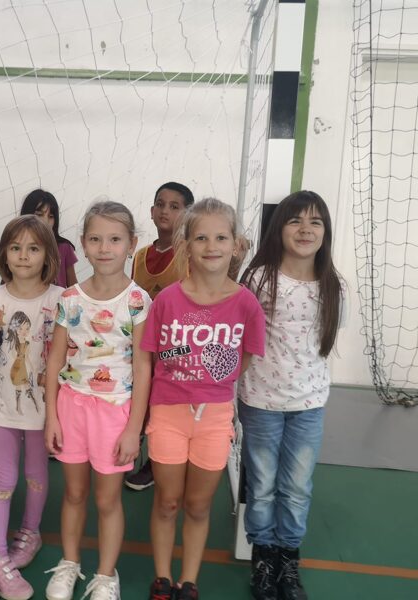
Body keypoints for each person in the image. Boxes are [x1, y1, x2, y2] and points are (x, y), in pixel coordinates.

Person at [142, 198, 266, 600]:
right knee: (167, 501)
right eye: (201, 238)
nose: (211, 246)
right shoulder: (167, 300)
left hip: (214, 417)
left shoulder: (245, 303)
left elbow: (245, 356)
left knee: (198, 505)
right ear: (186, 245)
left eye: (221, 237)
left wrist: (214, 381)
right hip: (168, 412)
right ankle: (163, 578)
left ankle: (189, 581)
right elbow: (154, 355)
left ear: (236, 244)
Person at [238, 191, 346, 600]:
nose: (305, 229)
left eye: (315, 221)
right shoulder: (259, 279)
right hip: (261, 401)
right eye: (295, 220)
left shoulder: (334, 285)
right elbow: (242, 340)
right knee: (262, 485)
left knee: (298, 487)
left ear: (326, 231)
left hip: (308, 405)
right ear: (278, 228)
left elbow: (323, 343)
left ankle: (288, 559)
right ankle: (264, 559)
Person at [44, 200, 152, 600]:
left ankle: (106, 576)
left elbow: (143, 368)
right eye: (95, 239)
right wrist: (51, 417)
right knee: (73, 494)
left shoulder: (138, 301)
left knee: (107, 500)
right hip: (71, 407)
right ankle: (69, 563)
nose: (105, 248)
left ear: (131, 244)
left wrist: (134, 428)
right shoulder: (70, 298)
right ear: (83, 245)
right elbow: (55, 359)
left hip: (115, 413)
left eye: (115, 239)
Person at [0, 215, 63, 600]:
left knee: (37, 476)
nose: (24, 256)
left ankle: (30, 532)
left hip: (44, 411)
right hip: (4, 409)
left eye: (33, 248)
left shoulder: (60, 299)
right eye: (16, 247)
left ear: (48, 255)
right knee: (2, 480)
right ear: (5, 254)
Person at [125, 181, 194, 492]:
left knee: (163, 400)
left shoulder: (189, 254)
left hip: (175, 347)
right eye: (161, 204)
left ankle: (155, 461)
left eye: (174, 206)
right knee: (137, 393)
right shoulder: (140, 255)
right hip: (142, 342)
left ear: (187, 214)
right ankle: (131, 446)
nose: (165, 211)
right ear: (152, 211)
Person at [20, 189, 78, 288]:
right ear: (26, 215)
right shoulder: (16, 246)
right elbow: (6, 285)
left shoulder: (64, 247)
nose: (45, 221)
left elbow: (73, 288)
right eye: (39, 215)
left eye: (51, 216)